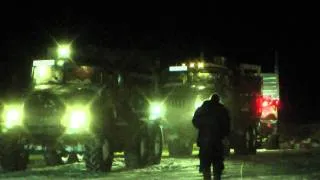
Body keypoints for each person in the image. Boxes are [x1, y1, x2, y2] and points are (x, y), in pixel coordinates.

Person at [192, 93, 230, 180]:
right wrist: (225, 136)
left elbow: (195, 121)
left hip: (204, 140)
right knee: (217, 163)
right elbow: (227, 125)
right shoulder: (222, 110)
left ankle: (207, 177)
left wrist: (202, 127)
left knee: (205, 163)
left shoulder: (202, 109)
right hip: (217, 141)